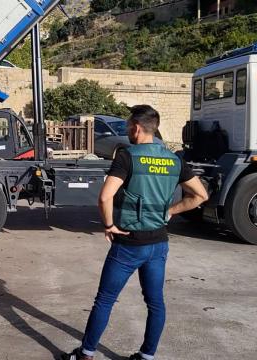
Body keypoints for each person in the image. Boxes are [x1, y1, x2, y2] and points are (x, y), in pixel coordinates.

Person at [63, 105, 209, 360]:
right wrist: (171, 211)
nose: (128, 128)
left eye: (129, 124)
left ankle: (85, 354)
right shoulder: (175, 160)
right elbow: (200, 195)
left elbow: (105, 197)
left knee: (105, 300)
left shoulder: (128, 156)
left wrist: (109, 225)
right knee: (155, 303)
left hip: (129, 244)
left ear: (136, 128)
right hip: (159, 244)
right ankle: (147, 356)